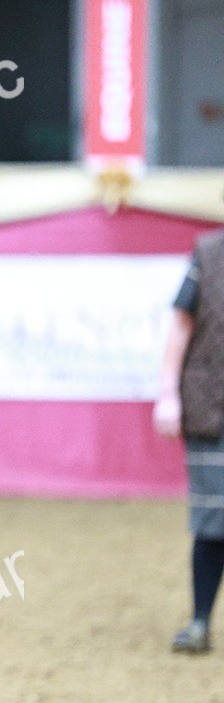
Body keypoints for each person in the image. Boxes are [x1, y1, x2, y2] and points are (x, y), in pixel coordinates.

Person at [154, 228, 224, 654]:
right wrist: (168, 393)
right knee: (214, 520)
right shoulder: (209, 254)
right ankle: (200, 623)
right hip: (210, 406)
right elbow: (181, 324)